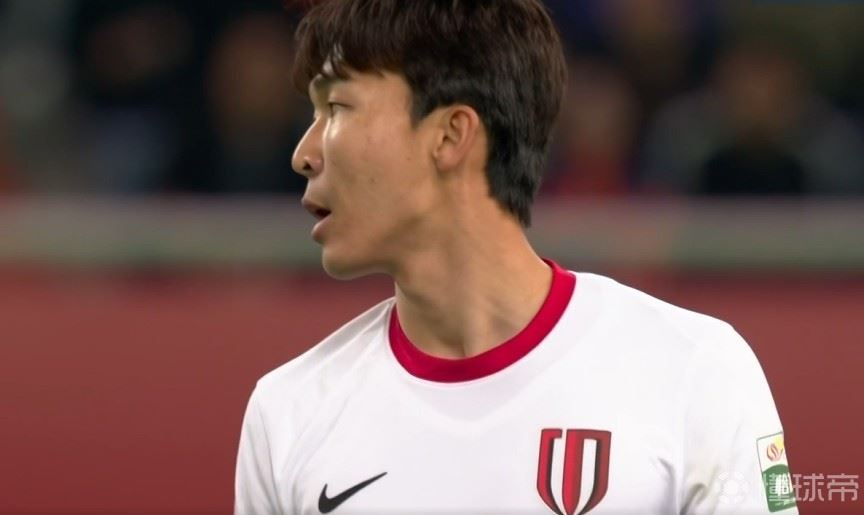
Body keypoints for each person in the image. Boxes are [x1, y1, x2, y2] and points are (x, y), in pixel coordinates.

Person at [235, 1, 797, 514]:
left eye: (336, 108)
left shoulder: (700, 370)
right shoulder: (286, 414)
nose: (304, 154)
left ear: (450, 135)